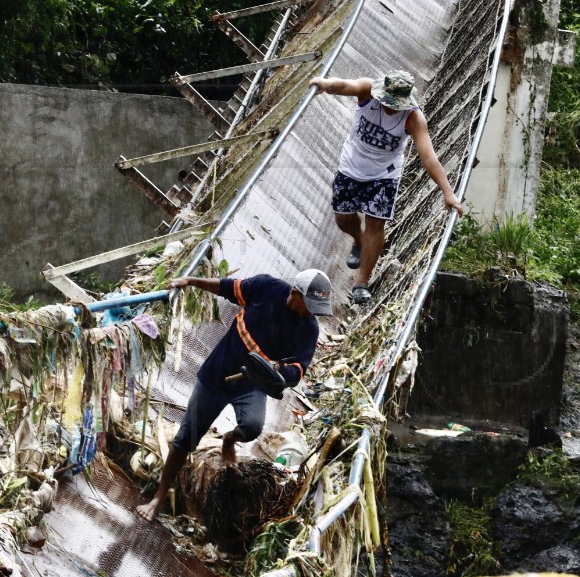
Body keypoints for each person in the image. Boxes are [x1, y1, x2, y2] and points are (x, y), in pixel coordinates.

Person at [136, 269, 332, 523]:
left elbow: (299, 369)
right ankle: (158, 497)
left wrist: (279, 369)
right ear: (296, 293)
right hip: (216, 375)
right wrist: (192, 281)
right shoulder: (265, 287)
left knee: (252, 426)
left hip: (252, 386)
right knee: (186, 438)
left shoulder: (309, 329)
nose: (312, 312)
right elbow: (227, 287)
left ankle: (229, 440)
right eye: (309, 305)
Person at [309, 70, 464, 304]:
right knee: (343, 217)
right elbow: (343, 84)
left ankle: (361, 281)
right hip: (352, 166)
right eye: (388, 103)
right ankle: (358, 241)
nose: (391, 109)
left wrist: (448, 193)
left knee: (376, 224)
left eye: (396, 105)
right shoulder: (367, 91)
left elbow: (428, 157)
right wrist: (325, 84)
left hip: (384, 175)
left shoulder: (413, 118)